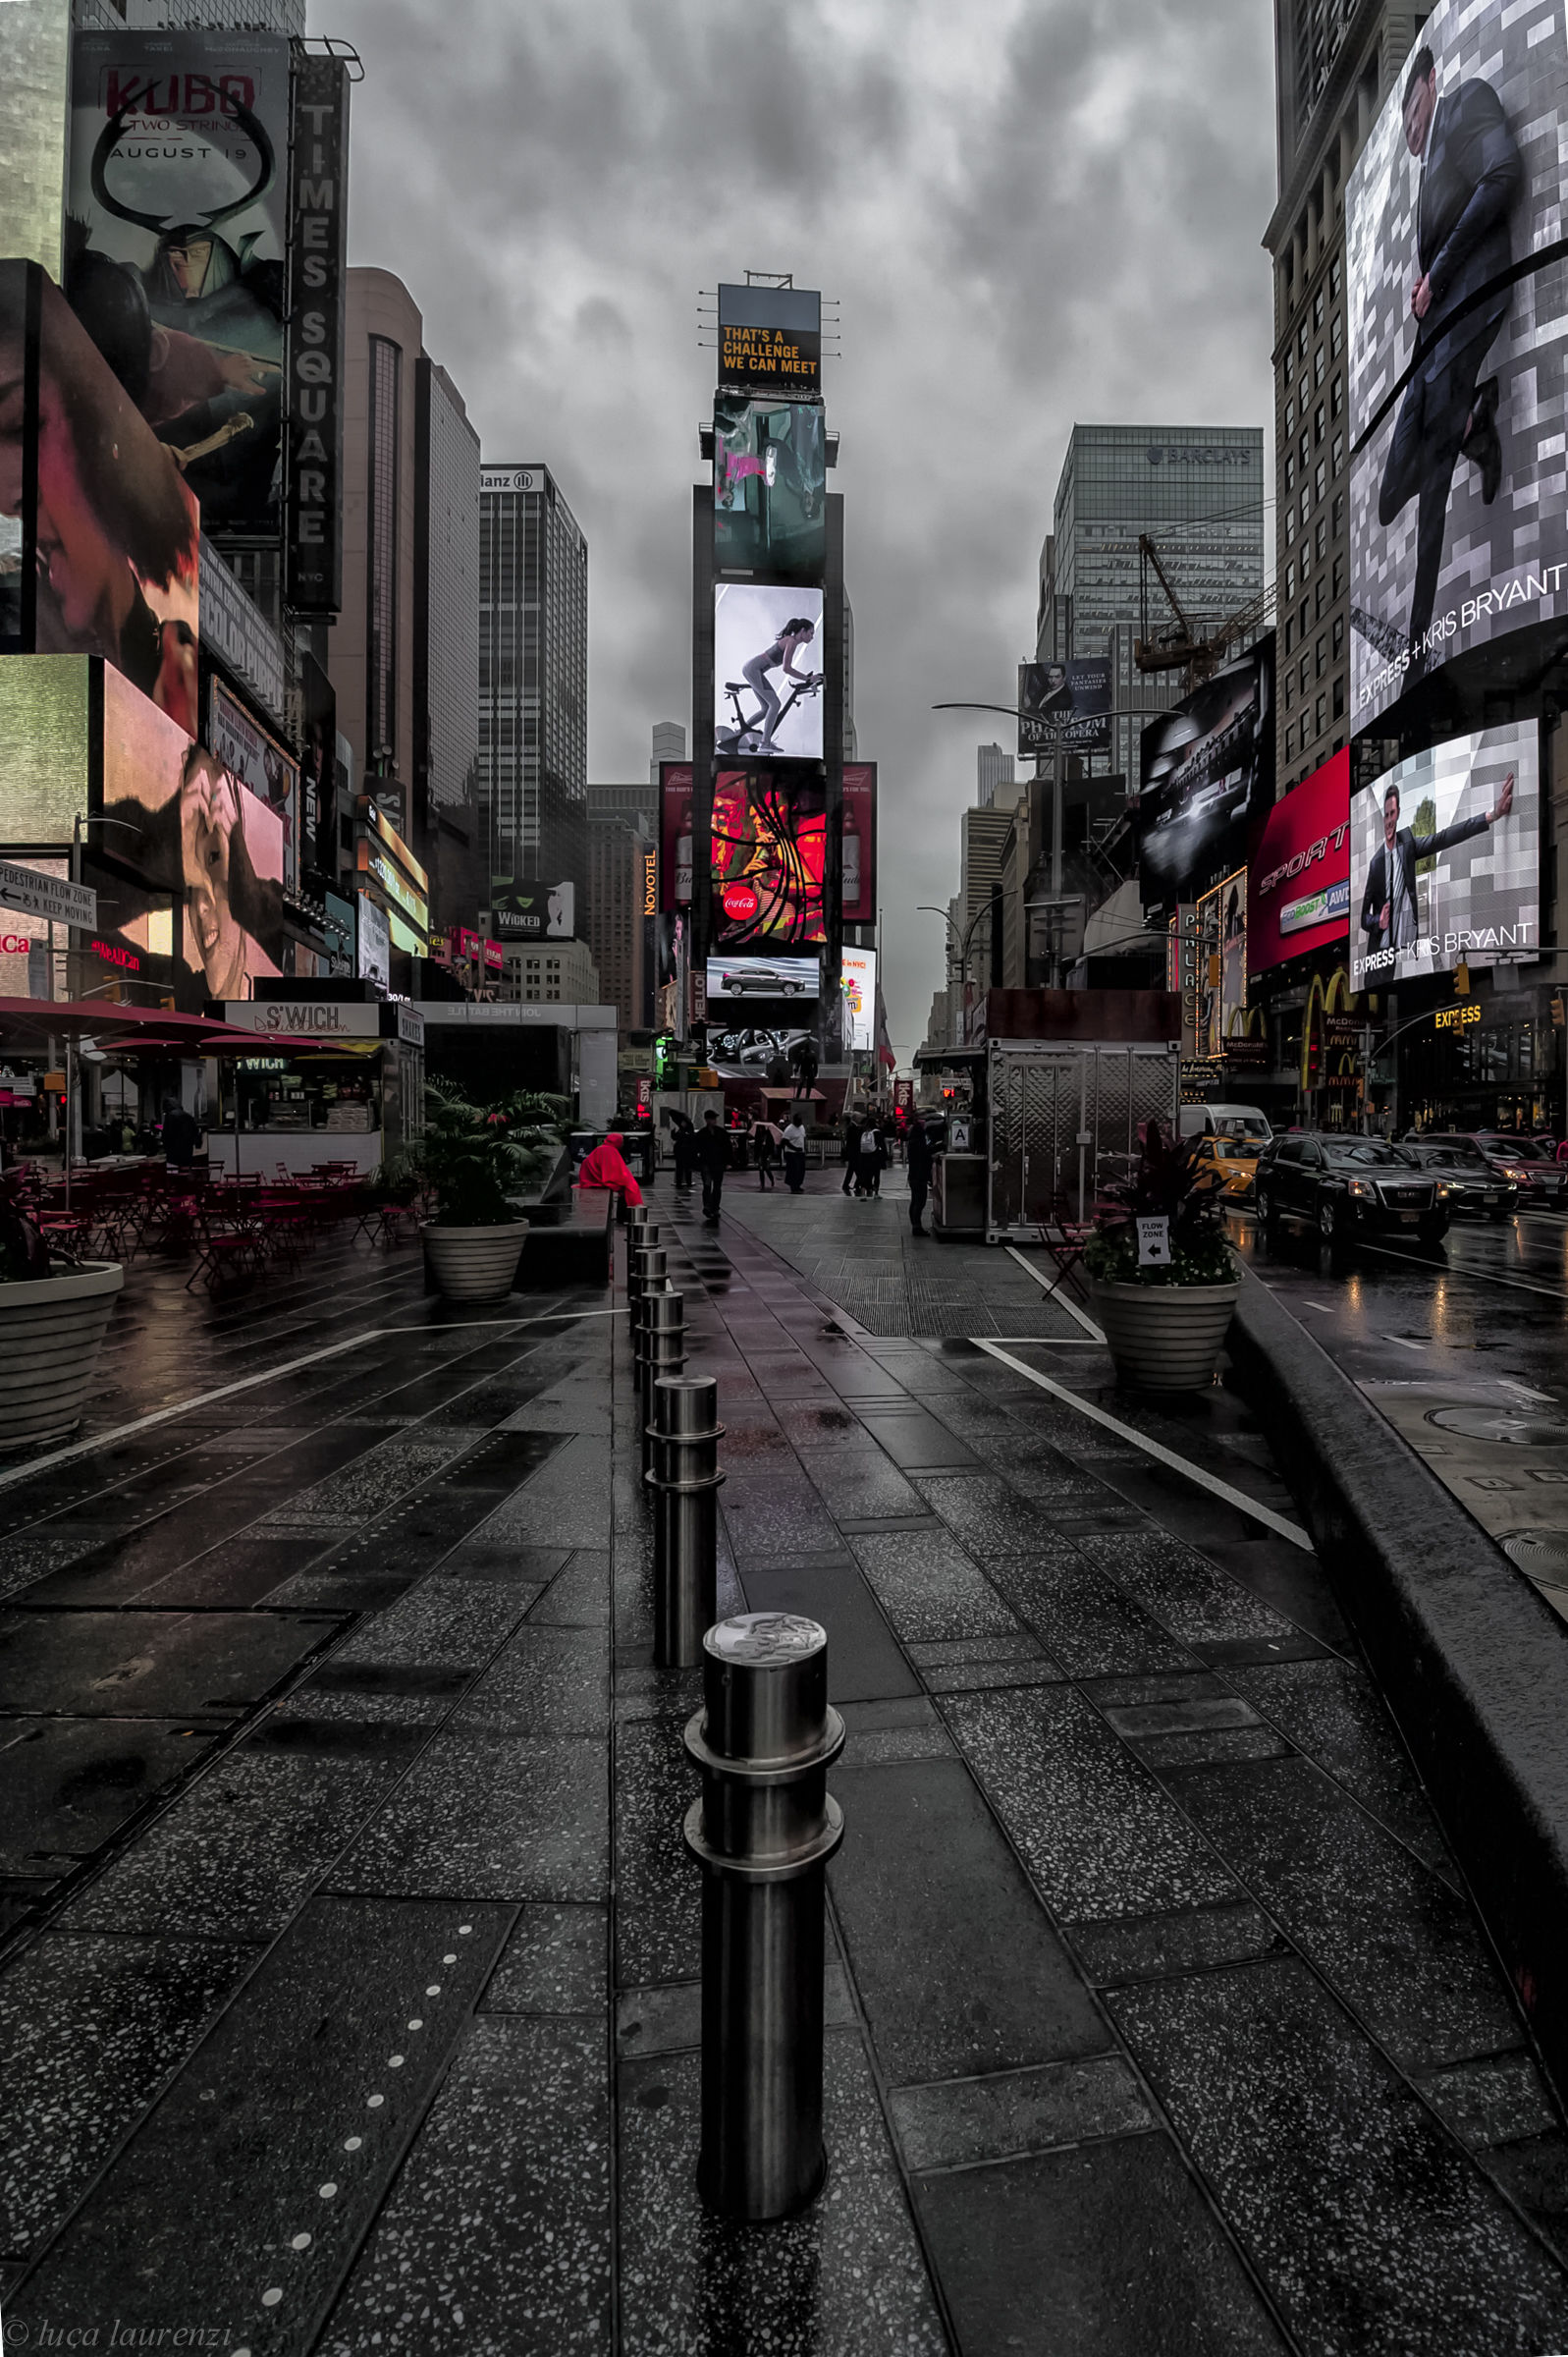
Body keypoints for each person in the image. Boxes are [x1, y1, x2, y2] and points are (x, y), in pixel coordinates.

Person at [1376, 45, 1522, 666]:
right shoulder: (1428, 164)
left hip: (1467, 309)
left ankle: (1413, 656)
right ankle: (1474, 425)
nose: (1410, 127)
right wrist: (1423, 283)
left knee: (1432, 490)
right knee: (1388, 500)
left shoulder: (1464, 106)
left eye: (1411, 108)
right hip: (1431, 340)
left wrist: (1436, 274)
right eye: (1405, 120)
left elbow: (1503, 174)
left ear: (1432, 82)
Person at [1359, 768, 1514, 961]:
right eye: (1387, 815)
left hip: (1408, 952)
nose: (1389, 820)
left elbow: (1444, 837)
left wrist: (1493, 815)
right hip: (1382, 956)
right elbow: (1364, 918)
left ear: (1397, 814)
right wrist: (1378, 921)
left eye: (1392, 814)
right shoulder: (1376, 864)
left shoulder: (1407, 845)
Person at [740, 616, 818, 752]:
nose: (812, 637)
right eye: (811, 633)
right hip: (753, 670)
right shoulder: (791, 641)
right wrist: (807, 679)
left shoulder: (792, 642)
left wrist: (807, 679)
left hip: (754, 670)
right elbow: (786, 668)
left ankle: (740, 733)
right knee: (775, 704)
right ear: (802, 631)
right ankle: (765, 743)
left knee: (766, 708)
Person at [576, 1130, 643, 1212]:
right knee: (631, 1187)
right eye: (621, 1142)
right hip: (597, 1180)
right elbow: (614, 1173)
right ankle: (633, 1211)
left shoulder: (600, 1149)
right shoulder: (611, 1151)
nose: (622, 1144)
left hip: (588, 1179)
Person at [695, 1109, 730, 1225]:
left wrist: (728, 1162)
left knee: (716, 1187)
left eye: (715, 1118)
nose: (714, 1120)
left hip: (717, 1163)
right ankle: (708, 1206)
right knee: (707, 1185)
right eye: (712, 1118)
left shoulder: (721, 1133)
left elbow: (727, 1148)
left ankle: (714, 1207)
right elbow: (697, 1148)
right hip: (707, 1163)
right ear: (707, 1120)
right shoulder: (702, 1134)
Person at [907, 1116, 935, 1235]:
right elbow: (925, 1157)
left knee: (915, 1201)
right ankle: (917, 1227)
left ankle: (915, 1224)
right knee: (920, 1201)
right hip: (920, 1175)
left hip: (913, 1175)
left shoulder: (912, 1141)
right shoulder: (919, 1143)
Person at [161, 1098, 199, 1168]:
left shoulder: (170, 1116)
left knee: (173, 1173)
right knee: (185, 1171)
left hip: (174, 1152)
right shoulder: (189, 1116)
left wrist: (166, 1146)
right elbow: (195, 1133)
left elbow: (166, 1134)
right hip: (187, 1151)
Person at [856, 1115, 885, 1199]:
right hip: (875, 1157)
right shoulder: (877, 1132)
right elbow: (882, 1146)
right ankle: (876, 1193)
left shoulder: (864, 1133)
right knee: (876, 1176)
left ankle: (863, 1194)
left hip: (865, 1156)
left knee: (865, 1175)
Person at [750, 1116, 781, 1189]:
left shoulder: (768, 1134)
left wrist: (770, 1154)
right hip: (761, 1154)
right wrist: (756, 1157)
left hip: (766, 1153)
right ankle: (762, 1184)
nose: (760, 1129)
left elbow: (771, 1144)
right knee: (761, 1169)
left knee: (766, 1168)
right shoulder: (758, 1135)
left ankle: (772, 1180)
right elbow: (757, 1146)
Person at [670, 1111, 696, 1192]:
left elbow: (691, 1139)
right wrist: (673, 1132)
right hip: (680, 1151)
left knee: (687, 1168)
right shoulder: (681, 1130)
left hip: (687, 1151)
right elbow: (675, 1137)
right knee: (680, 1168)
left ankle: (688, 1182)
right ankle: (679, 1182)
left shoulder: (689, 1130)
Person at [781, 1112, 807, 1194]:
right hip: (791, 1153)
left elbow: (804, 1137)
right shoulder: (789, 1129)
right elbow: (785, 1141)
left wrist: (805, 1147)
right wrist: (795, 1148)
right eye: (798, 1121)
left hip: (800, 1152)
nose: (800, 1123)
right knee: (794, 1170)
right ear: (795, 1121)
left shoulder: (802, 1127)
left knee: (801, 1170)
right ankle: (793, 1186)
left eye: (801, 1121)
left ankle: (798, 1185)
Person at [840, 1106, 863, 1197]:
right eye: (859, 1117)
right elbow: (853, 1140)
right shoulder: (852, 1127)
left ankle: (846, 1185)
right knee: (859, 1170)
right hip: (854, 1152)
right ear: (855, 1118)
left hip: (853, 1152)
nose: (860, 1119)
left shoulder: (854, 1126)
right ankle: (858, 1185)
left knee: (851, 1170)